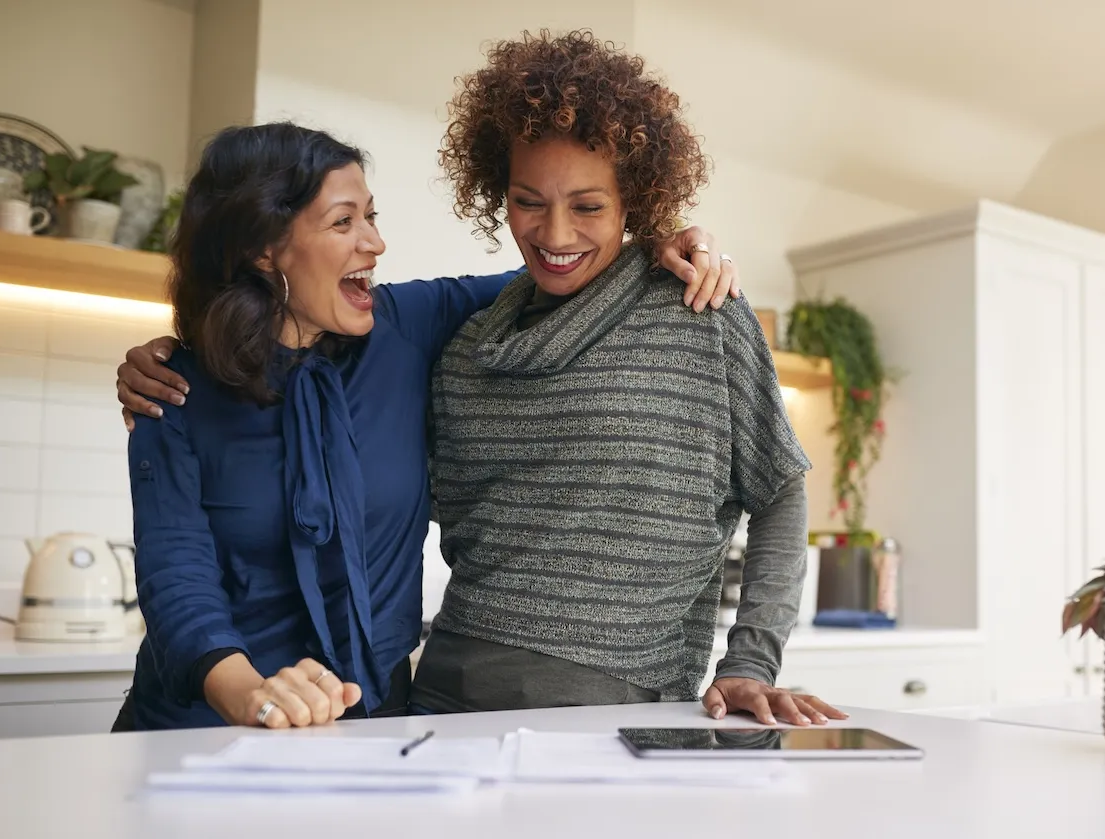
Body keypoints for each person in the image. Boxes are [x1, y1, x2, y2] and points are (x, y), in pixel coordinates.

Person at [113, 120, 737, 732]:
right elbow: (176, 576)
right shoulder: (174, 391)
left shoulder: (404, 329)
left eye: (371, 217)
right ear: (262, 247)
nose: (374, 244)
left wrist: (657, 248)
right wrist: (250, 694)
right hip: (209, 724)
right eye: (342, 222)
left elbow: (565, 269)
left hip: (370, 723)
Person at [410, 29, 846, 728]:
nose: (554, 233)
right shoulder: (466, 347)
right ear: (497, 191)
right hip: (440, 691)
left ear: (635, 202)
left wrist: (750, 661)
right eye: (528, 201)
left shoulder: (698, 313)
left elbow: (779, 494)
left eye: (587, 206)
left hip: (616, 704)